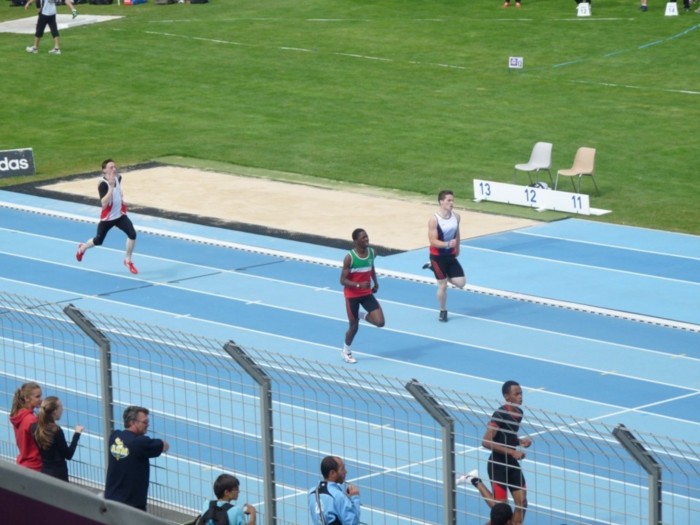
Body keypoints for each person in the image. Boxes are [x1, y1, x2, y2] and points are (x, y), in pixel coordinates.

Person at [480, 380, 532, 525]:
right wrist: (512, 452)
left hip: (512, 464)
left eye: (521, 393)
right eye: (516, 394)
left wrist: (520, 442)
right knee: (501, 513)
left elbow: (507, 436)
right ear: (507, 397)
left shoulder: (519, 413)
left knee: (522, 503)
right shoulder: (500, 414)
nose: (520, 397)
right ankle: (476, 481)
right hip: (498, 465)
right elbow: (486, 441)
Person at [76, 159, 139, 274]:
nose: (114, 169)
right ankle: (82, 248)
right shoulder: (102, 184)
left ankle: (128, 260)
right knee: (98, 240)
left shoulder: (118, 178)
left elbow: (118, 191)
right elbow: (104, 203)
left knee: (132, 234)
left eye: (114, 167)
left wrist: (121, 197)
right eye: (111, 167)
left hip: (120, 216)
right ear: (104, 170)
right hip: (108, 219)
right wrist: (111, 187)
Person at [104, 405, 169, 510]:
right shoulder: (141, 443)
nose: (147, 425)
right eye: (145, 422)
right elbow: (164, 445)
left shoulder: (114, 436)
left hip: (111, 498)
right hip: (132, 504)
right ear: (132, 422)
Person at [340, 228, 385, 364]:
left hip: (366, 294)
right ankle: (346, 351)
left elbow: (371, 267)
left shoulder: (372, 252)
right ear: (355, 241)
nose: (366, 239)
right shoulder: (350, 257)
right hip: (352, 295)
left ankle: (361, 315)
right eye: (363, 238)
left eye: (367, 237)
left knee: (380, 322)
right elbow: (342, 280)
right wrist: (358, 285)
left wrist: (375, 283)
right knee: (354, 327)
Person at [424, 190, 466, 322]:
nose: (452, 203)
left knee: (461, 283)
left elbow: (457, 234)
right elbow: (433, 241)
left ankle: (433, 269)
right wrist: (448, 244)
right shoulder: (434, 220)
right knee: (442, 285)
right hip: (437, 256)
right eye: (449, 200)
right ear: (441, 202)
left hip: (450, 256)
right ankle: (443, 310)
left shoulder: (456, 217)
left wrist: (457, 247)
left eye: (452, 200)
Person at [31, 396, 83, 481]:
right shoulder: (56, 431)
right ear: (55, 412)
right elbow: (68, 455)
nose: (63, 409)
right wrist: (77, 434)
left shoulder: (34, 428)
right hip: (59, 475)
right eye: (61, 407)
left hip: (45, 472)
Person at [309, 456, 360, 525]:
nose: (346, 472)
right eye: (342, 469)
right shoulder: (338, 496)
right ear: (332, 473)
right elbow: (352, 522)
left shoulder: (312, 493)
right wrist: (355, 497)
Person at [9, 381, 43, 471]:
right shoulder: (31, 420)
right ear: (27, 398)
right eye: (37, 397)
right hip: (36, 466)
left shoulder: (18, 414)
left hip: (23, 462)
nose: (41, 399)